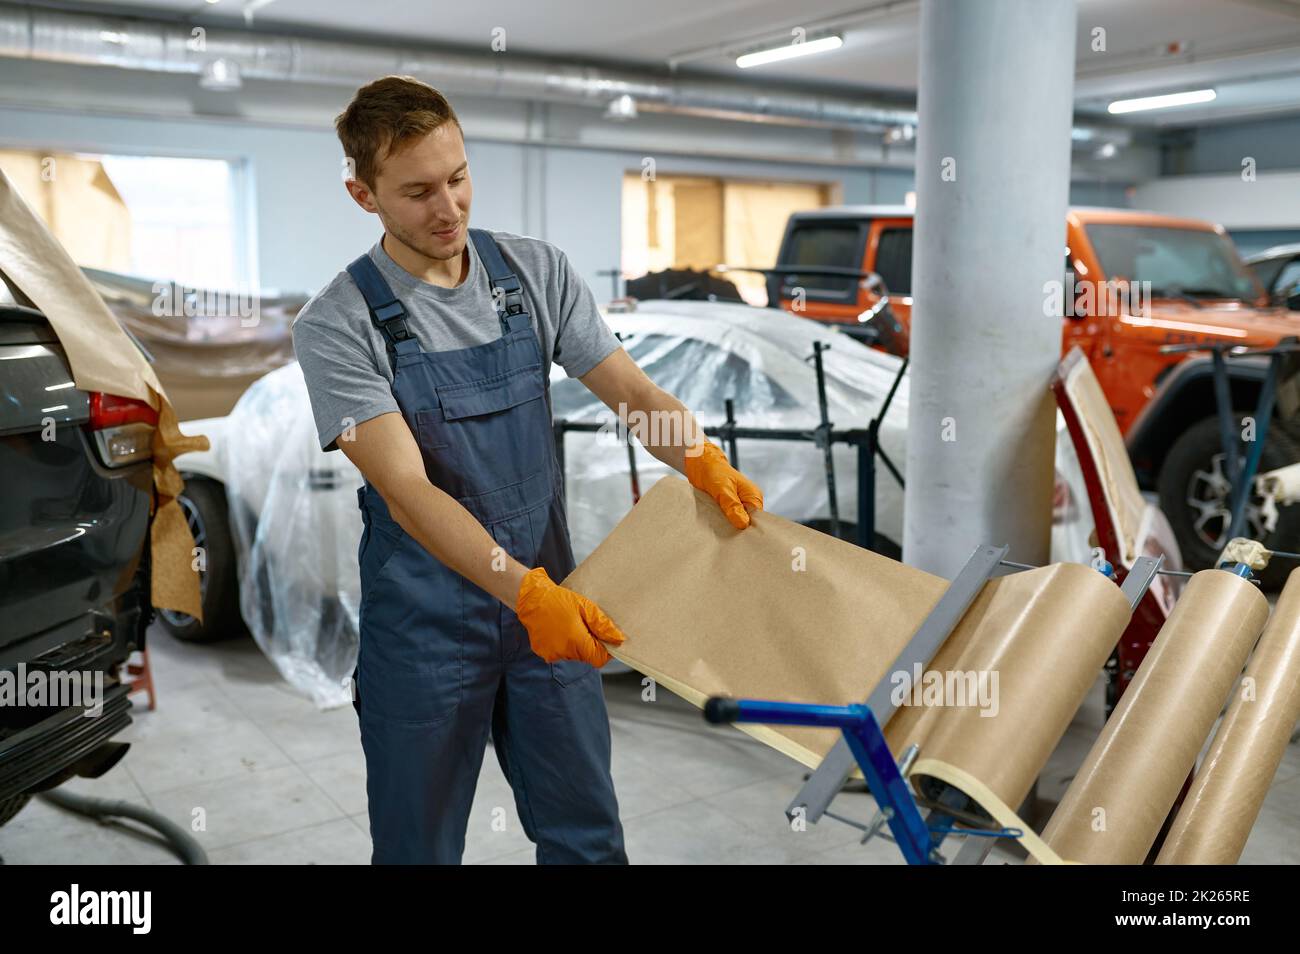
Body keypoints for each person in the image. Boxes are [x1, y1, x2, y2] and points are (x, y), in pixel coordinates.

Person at [292, 75, 764, 864]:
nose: (448, 209)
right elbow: (406, 492)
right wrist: (523, 590)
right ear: (362, 195)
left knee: (586, 838)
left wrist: (699, 457)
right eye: (416, 192)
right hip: (427, 628)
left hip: (549, 606)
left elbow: (631, 390)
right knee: (419, 849)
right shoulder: (337, 323)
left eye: (458, 178)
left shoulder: (534, 274)